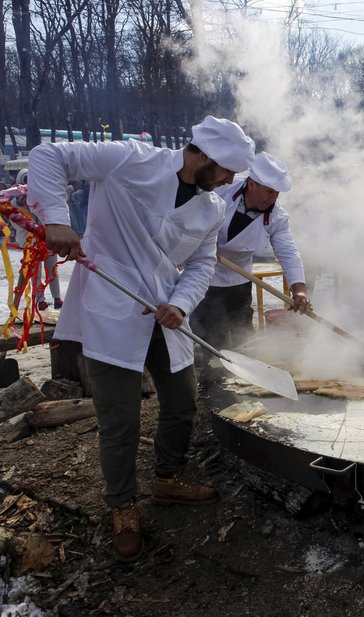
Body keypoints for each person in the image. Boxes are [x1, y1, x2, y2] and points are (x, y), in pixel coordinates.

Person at [27, 115, 255, 562]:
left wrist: (183, 304)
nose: (229, 181)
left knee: (182, 402)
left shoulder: (211, 207)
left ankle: (167, 478)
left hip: (166, 313)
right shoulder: (129, 160)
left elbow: (202, 263)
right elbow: (47, 155)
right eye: (227, 170)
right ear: (205, 155)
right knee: (121, 417)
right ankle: (123, 507)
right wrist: (56, 219)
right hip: (113, 307)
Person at [191, 152, 311, 355]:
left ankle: (243, 377)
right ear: (252, 183)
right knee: (211, 337)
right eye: (269, 191)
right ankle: (211, 378)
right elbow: (191, 215)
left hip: (239, 276)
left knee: (242, 335)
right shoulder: (222, 189)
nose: (273, 198)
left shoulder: (277, 216)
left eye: (277, 193)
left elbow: (288, 251)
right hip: (204, 273)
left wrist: (298, 289)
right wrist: (204, 242)